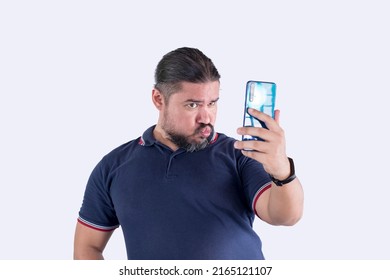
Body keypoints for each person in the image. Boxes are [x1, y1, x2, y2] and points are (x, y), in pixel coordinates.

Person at [73, 47, 304, 260]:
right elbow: (87, 247)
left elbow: (284, 216)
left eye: (212, 103)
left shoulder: (239, 154)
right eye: (192, 105)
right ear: (158, 99)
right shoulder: (113, 166)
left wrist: (282, 171)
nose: (206, 118)